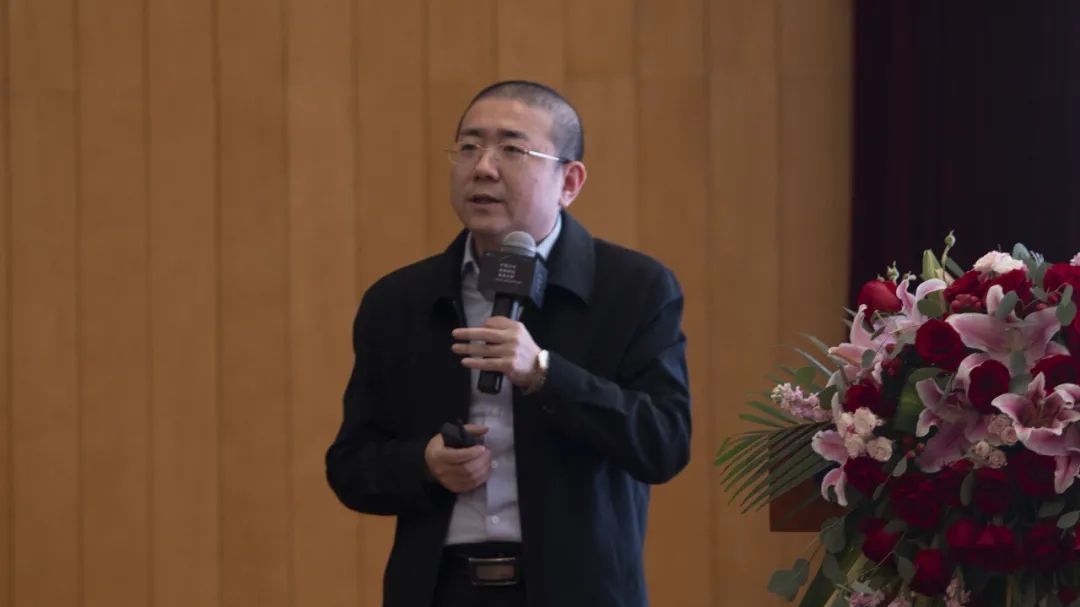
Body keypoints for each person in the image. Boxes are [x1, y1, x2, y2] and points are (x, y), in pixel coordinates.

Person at [325, 80, 692, 607]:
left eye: (512, 150)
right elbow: (351, 466)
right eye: (468, 147)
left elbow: (664, 443)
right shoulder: (399, 301)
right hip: (441, 591)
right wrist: (424, 463)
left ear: (569, 181)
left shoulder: (634, 289)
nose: (483, 167)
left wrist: (545, 373)